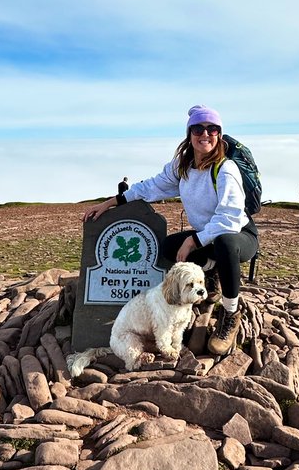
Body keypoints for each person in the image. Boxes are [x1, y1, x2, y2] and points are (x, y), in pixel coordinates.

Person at [84, 105, 259, 356]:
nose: (205, 134)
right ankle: (212, 274)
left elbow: (229, 218)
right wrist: (110, 202)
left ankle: (231, 313)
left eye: (212, 129)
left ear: (219, 134)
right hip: (207, 236)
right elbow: (150, 187)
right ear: (189, 133)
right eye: (198, 128)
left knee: (225, 244)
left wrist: (194, 241)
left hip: (239, 234)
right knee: (168, 247)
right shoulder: (183, 166)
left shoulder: (225, 168)